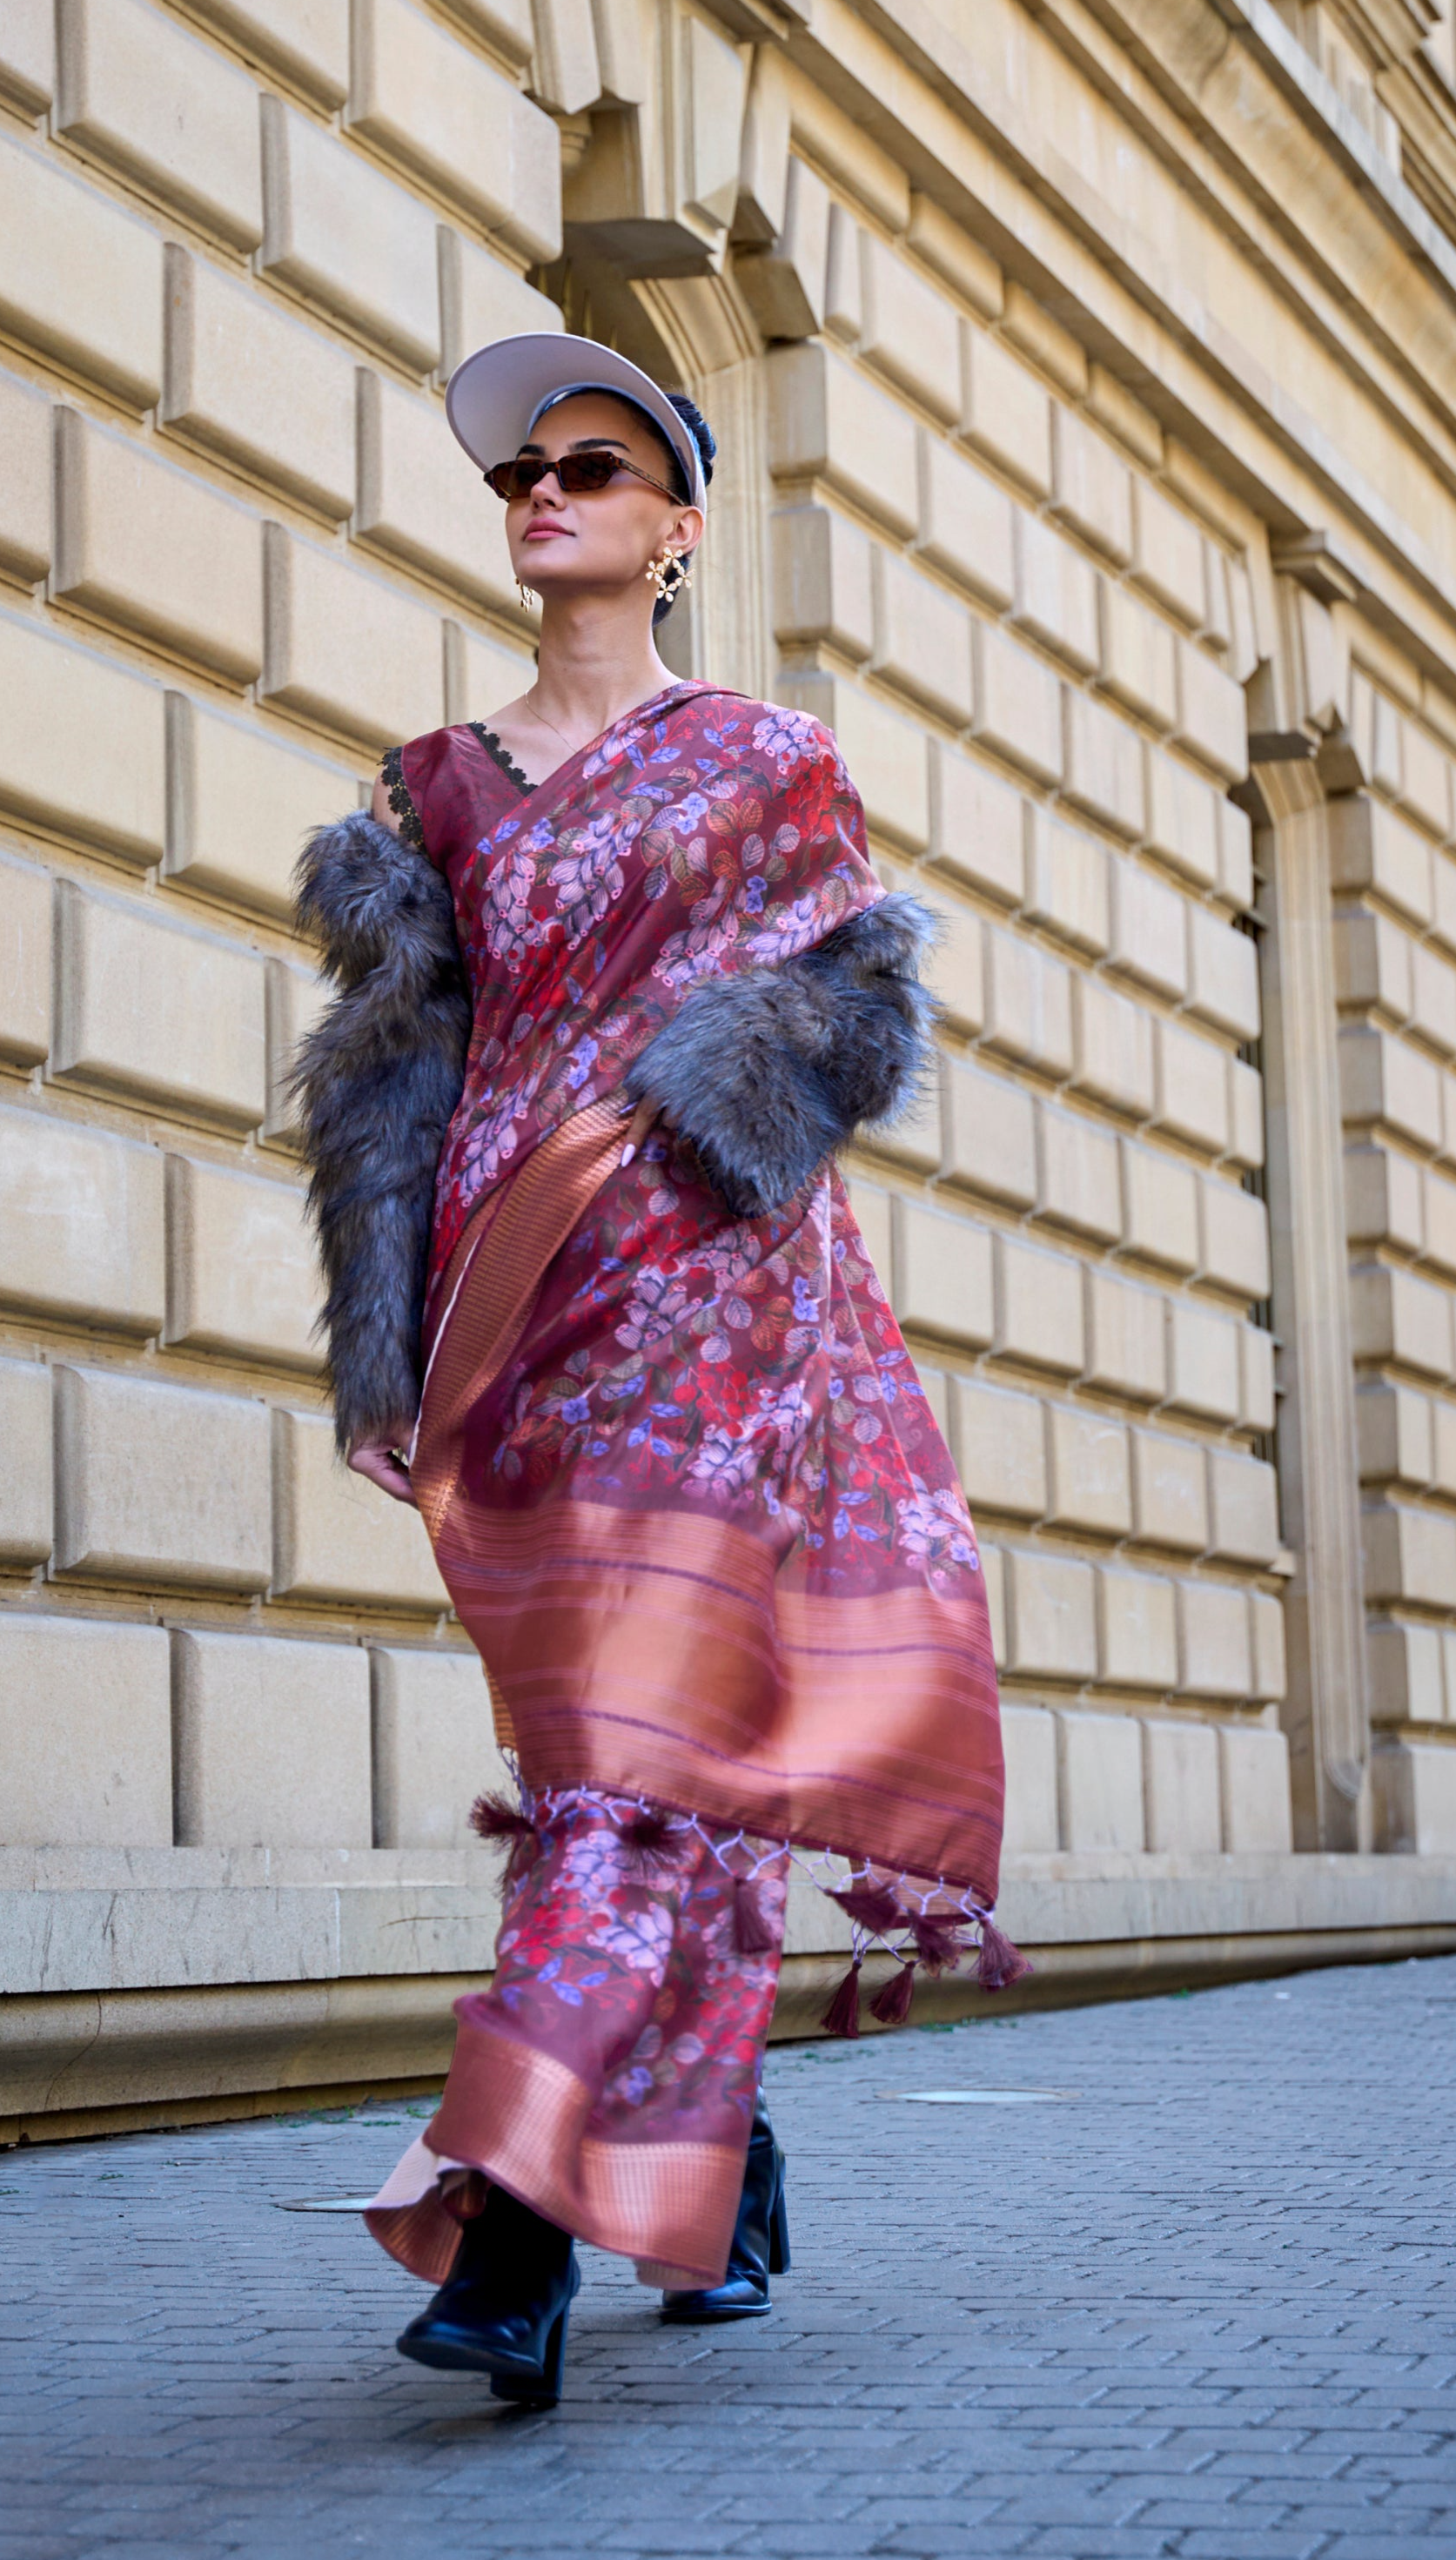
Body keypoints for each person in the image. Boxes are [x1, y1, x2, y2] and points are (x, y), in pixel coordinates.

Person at [295, 333, 1020, 2409]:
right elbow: (394, 1083)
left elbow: (854, 1010)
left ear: (678, 528)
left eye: (594, 468)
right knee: (636, 1777)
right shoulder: (428, 788)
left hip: (713, 1299)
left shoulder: (768, 757)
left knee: (624, 1774)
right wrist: (383, 1341)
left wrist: (698, 1124)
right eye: (525, 468)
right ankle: (735, 2155)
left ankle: (509, 2234)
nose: (548, 490)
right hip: (512, 1326)